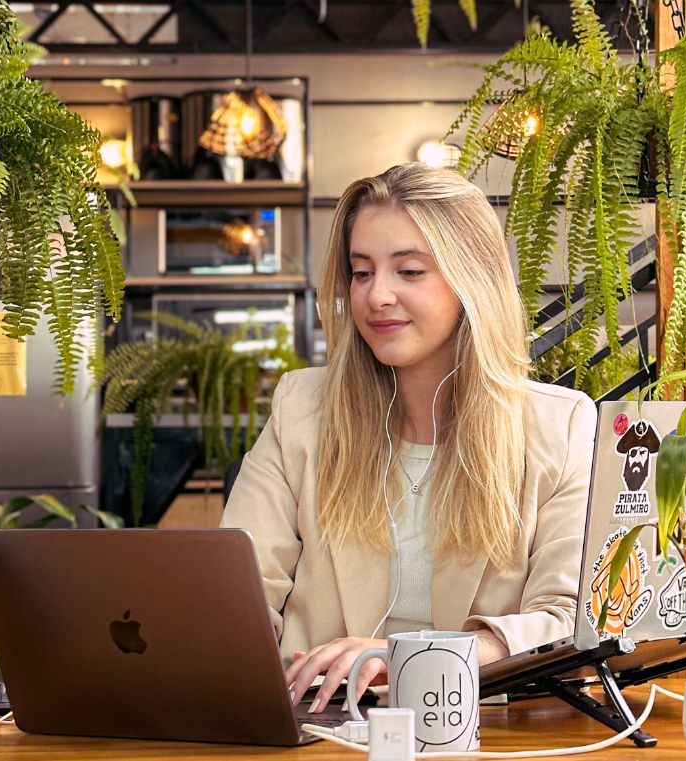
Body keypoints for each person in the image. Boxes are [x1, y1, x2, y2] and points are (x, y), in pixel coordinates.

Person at [221, 163, 597, 715]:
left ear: (473, 279)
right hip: (320, 729)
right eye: (362, 271)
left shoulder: (559, 428)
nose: (377, 296)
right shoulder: (301, 410)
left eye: (410, 271)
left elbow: (573, 622)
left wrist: (412, 657)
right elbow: (234, 593)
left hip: (488, 733)